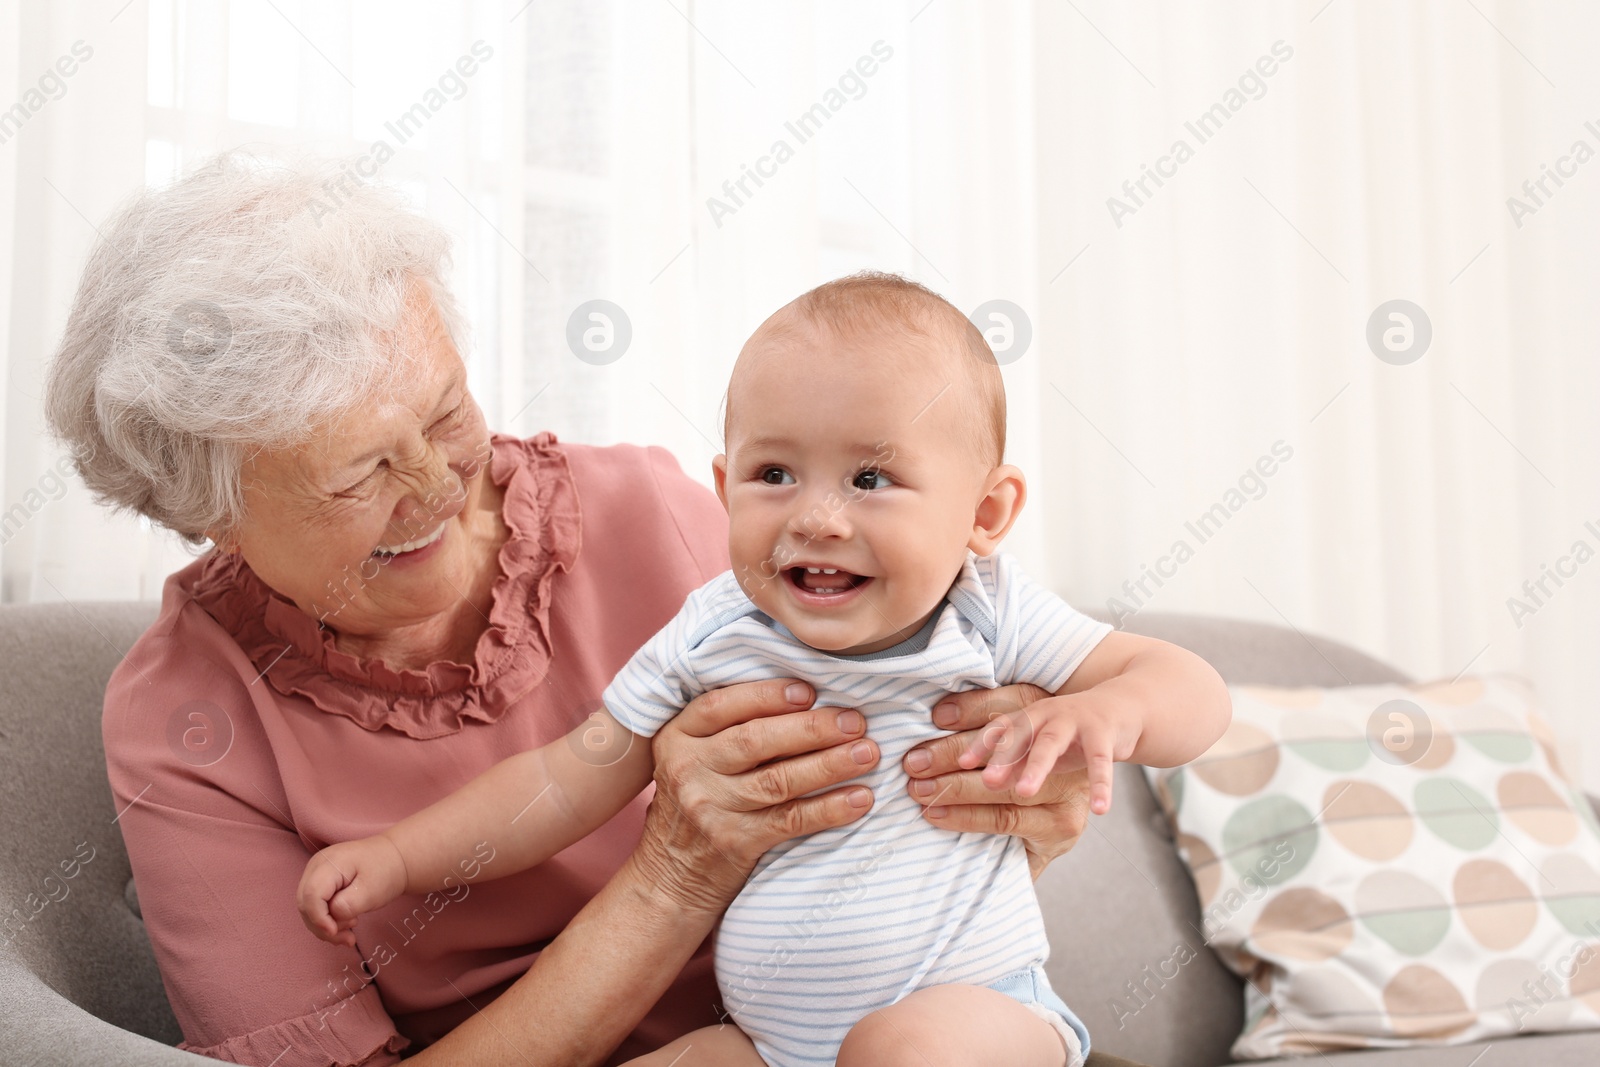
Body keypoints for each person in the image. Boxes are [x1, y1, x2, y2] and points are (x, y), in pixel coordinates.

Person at [43, 155, 1139, 1067]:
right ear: (211, 514)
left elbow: (908, 770)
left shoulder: (654, 511)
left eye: (444, 411)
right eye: (357, 472)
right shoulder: (187, 714)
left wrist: (1002, 811)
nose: (436, 485)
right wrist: (671, 874)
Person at [295, 274, 1232, 1067]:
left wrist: (1113, 711)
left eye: (870, 480)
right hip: (763, 1041)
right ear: (722, 488)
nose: (817, 517)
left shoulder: (987, 610)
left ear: (985, 512)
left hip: (976, 1008)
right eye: (775, 474)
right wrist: (399, 856)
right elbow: (559, 777)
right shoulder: (714, 630)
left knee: (903, 1053)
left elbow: (1194, 692)